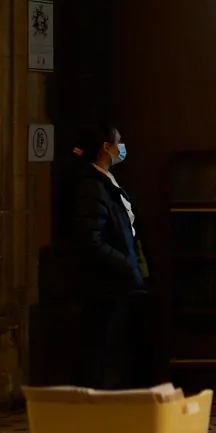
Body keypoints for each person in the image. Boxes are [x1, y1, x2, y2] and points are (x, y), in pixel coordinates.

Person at [64, 122, 152, 388]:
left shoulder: (106, 181)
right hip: (105, 285)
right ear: (106, 147)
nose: (122, 148)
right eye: (118, 142)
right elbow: (91, 239)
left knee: (113, 349)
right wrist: (125, 265)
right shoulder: (92, 186)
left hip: (120, 281)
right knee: (98, 348)